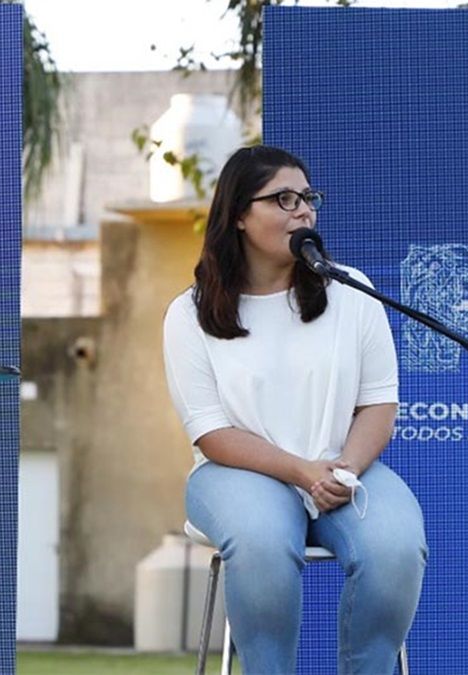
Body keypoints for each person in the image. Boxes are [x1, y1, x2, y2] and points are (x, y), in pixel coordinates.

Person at [162, 145, 427, 675]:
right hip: (237, 473)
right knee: (261, 543)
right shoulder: (188, 313)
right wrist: (303, 473)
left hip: (342, 468)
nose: (303, 210)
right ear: (238, 215)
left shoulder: (352, 294)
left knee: (396, 548)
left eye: (308, 198)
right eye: (283, 199)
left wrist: (345, 469)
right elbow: (211, 433)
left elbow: (378, 402)